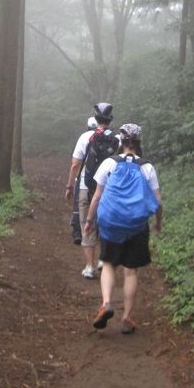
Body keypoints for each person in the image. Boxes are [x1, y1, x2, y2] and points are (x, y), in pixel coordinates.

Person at [84, 123, 162, 334]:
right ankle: (126, 317)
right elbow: (158, 201)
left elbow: (97, 196)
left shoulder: (109, 163)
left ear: (121, 141)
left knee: (108, 264)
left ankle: (107, 303)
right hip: (136, 225)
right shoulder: (147, 167)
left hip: (110, 222)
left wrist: (89, 220)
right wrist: (158, 223)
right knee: (130, 271)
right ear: (138, 143)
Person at [65, 102, 118, 278]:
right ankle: (103, 259)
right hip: (109, 190)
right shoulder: (116, 139)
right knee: (105, 222)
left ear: (95, 119)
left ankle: (89, 267)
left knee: (86, 225)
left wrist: (70, 186)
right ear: (110, 119)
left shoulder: (85, 137)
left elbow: (75, 164)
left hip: (86, 187)